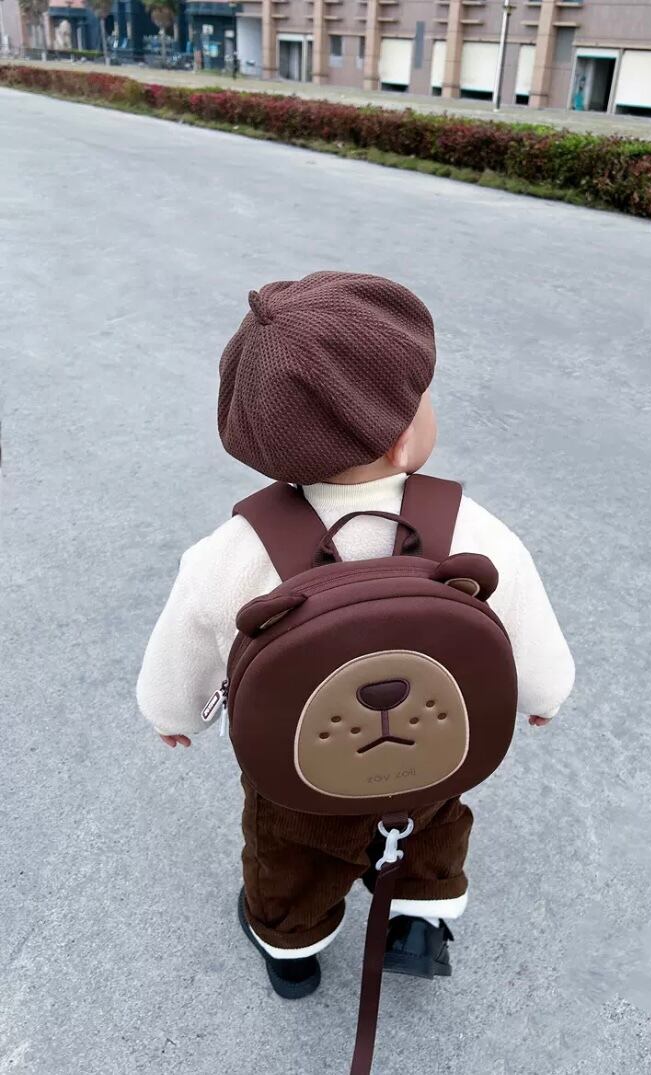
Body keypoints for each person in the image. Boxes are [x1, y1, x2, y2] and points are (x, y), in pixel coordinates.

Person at [136, 271, 575, 999]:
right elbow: (524, 627)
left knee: (289, 859)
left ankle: (293, 950)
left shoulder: (232, 552)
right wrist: (544, 695)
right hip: (432, 757)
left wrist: (173, 716)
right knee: (432, 830)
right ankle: (419, 922)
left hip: (299, 775)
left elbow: (184, 649)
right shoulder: (473, 529)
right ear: (404, 441)